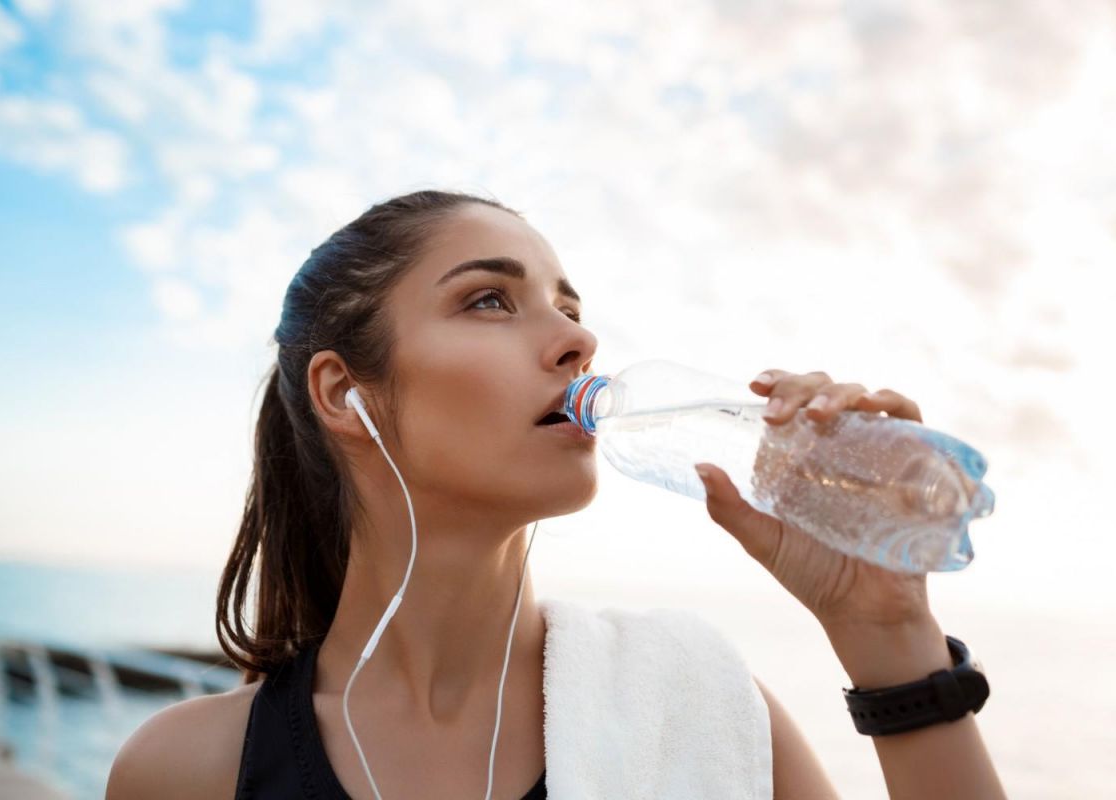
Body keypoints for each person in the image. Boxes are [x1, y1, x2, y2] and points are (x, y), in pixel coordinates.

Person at [106, 189, 1007, 799]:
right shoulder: (189, 770)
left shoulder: (698, 703)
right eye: (491, 301)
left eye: (569, 308)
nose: (579, 342)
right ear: (348, 393)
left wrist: (888, 637)